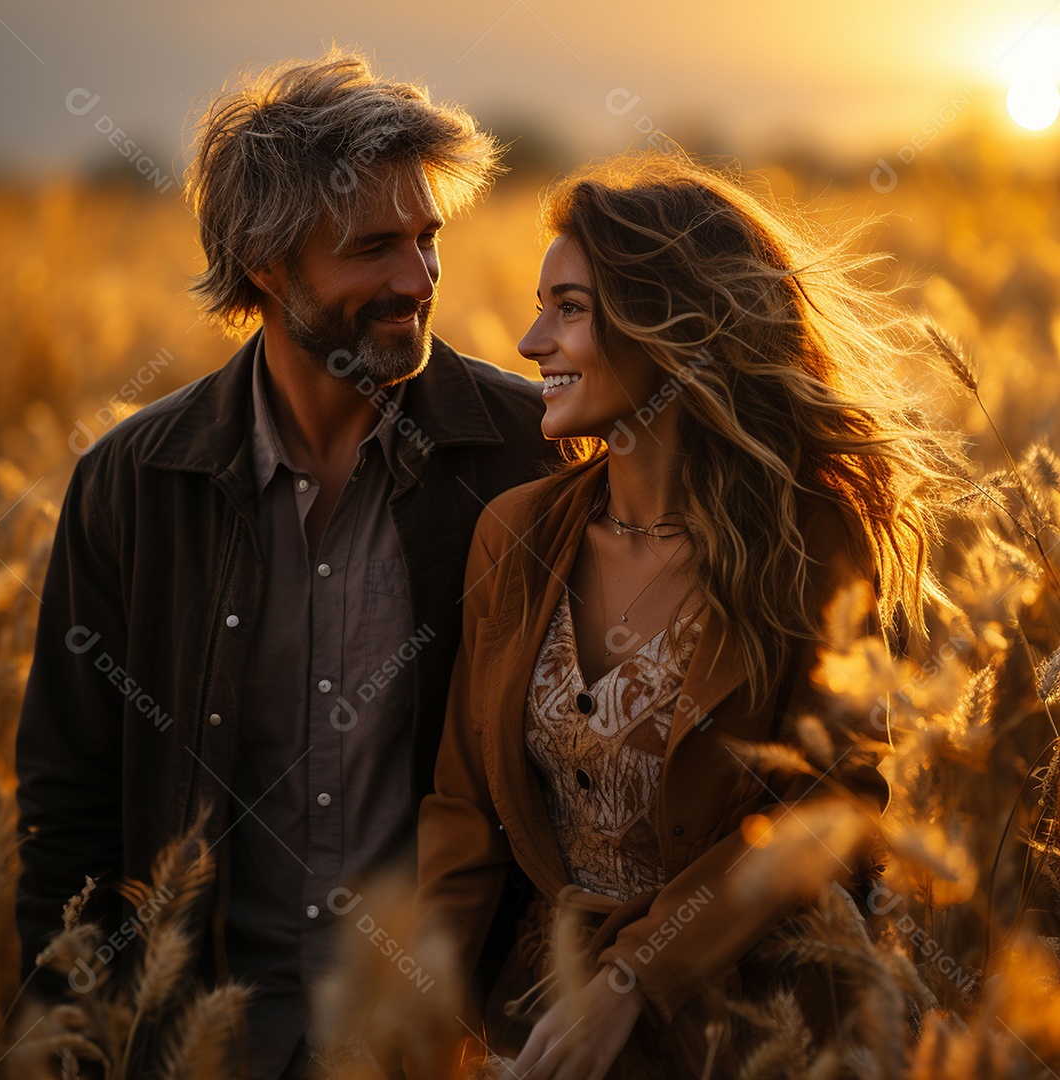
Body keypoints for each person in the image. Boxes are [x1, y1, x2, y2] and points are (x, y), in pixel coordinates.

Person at [14, 50, 559, 1079]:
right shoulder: (132, 485)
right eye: (371, 249)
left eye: (427, 239)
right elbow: (68, 809)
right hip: (208, 1049)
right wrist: (65, 1039)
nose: (416, 279)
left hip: (445, 1049)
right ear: (267, 264)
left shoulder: (531, 453)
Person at [409, 154, 963, 1078]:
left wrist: (635, 977)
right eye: (541, 304)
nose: (529, 339)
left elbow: (830, 806)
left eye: (570, 308)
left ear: (672, 327)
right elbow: (462, 815)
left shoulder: (808, 545)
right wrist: (421, 1024)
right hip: (542, 1030)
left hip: (752, 1031)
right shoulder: (515, 535)